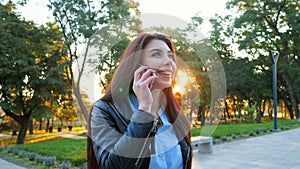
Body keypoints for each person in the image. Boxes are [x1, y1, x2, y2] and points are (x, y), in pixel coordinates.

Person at [87, 32, 192, 169]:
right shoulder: (104, 111)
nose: (169, 62)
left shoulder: (175, 114)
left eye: (170, 56)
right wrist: (144, 109)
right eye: (156, 54)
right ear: (136, 64)